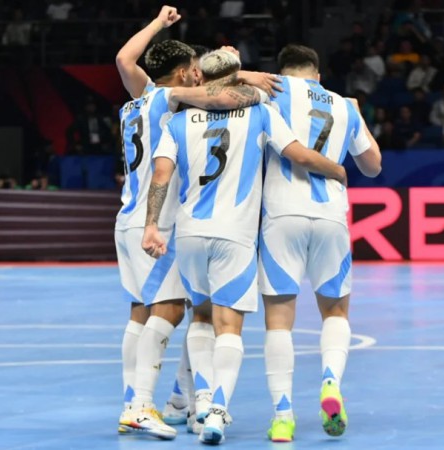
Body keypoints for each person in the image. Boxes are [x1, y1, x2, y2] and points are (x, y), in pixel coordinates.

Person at [142, 49, 348, 445]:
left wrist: (152, 225)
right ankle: (217, 411)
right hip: (235, 235)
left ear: (198, 77)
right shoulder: (260, 112)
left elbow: (161, 175)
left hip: (188, 234)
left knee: (199, 317)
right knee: (229, 327)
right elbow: (297, 155)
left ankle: (199, 403)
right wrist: (337, 170)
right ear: (240, 76)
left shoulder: (177, 121)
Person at [113, 6, 269, 440]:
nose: (198, 77)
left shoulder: (135, 102)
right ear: (183, 74)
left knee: (145, 312)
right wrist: (245, 75)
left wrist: (158, 25)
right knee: (170, 311)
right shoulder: (169, 98)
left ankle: (164, 399)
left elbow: (124, 60)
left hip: (127, 216)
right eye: (193, 71)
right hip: (157, 220)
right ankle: (139, 403)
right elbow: (221, 97)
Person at [259, 44, 382, 442]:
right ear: (318, 73)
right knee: (335, 312)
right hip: (330, 215)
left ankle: (283, 416)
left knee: (279, 319)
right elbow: (373, 165)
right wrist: (356, 115)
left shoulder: (272, 91)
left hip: (282, 213)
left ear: (282, 71)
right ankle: (330, 382)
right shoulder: (345, 105)